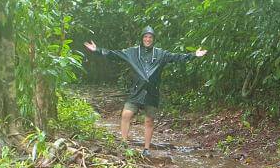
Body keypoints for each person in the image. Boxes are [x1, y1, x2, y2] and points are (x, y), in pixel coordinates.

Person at [85, 26, 207, 154]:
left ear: (153, 39)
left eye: (150, 37)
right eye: (145, 37)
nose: (148, 39)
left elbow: (176, 57)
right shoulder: (132, 52)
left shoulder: (160, 54)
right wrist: (97, 50)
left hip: (152, 92)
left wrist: (194, 55)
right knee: (126, 114)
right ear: (142, 38)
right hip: (137, 90)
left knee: (149, 120)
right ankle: (124, 143)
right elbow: (115, 54)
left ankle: (146, 148)